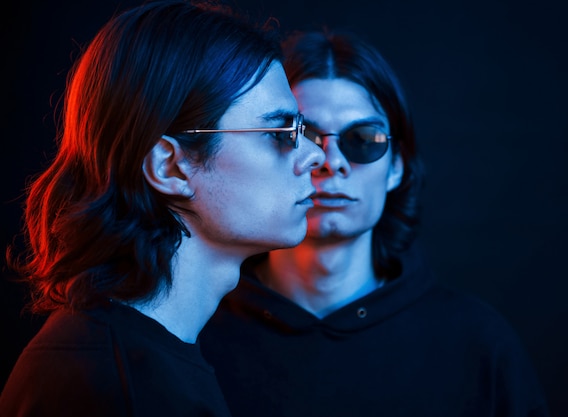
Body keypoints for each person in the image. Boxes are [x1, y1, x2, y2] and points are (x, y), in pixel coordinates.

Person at [200, 29, 551, 417]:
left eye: (364, 138)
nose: (329, 161)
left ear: (396, 166)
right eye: (301, 135)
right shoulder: (193, 333)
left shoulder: (478, 343)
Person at [0, 1, 325, 416]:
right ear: (169, 166)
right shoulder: (105, 383)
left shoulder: (147, 359)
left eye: (300, 129)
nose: (315, 155)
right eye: (279, 132)